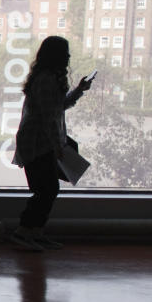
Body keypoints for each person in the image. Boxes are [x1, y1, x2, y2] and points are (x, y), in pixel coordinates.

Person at [10, 36, 92, 251]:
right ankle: (24, 232)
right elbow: (49, 117)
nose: (68, 57)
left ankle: (33, 233)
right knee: (47, 189)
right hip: (39, 143)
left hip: (39, 142)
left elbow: (57, 107)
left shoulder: (46, 78)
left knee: (46, 189)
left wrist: (79, 90)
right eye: (65, 53)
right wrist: (58, 147)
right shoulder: (47, 80)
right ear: (55, 56)